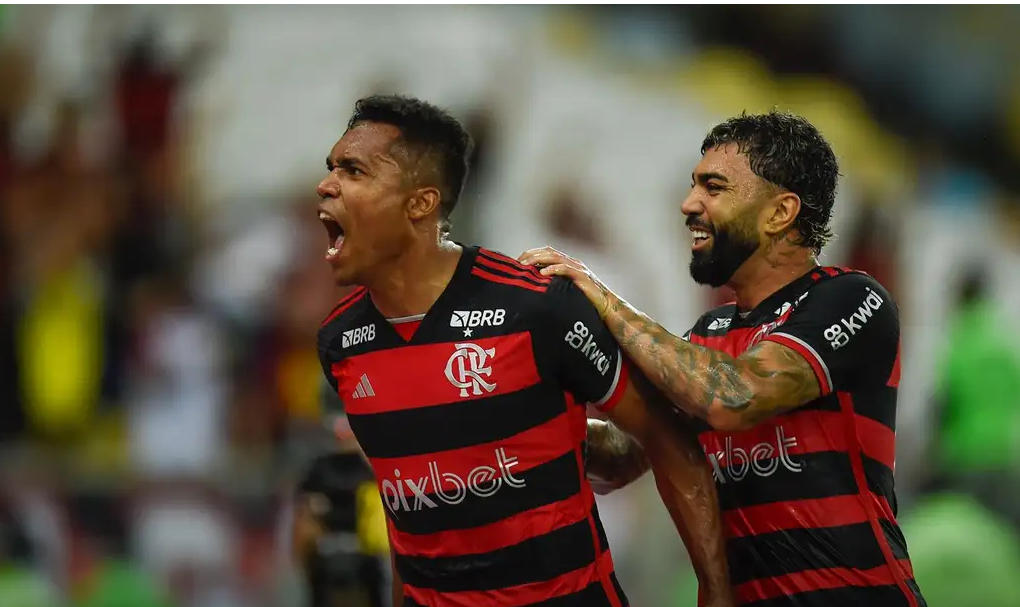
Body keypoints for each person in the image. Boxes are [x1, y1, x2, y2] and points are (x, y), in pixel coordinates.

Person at [315, 94, 732, 607]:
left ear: (420, 203)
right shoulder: (340, 343)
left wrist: (715, 588)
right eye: (332, 168)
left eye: (353, 171)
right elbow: (411, 516)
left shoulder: (535, 307)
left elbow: (663, 434)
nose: (326, 185)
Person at [521, 110, 927, 607]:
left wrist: (604, 301)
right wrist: (516, 421)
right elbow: (622, 458)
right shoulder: (707, 338)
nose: (689, 205)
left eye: (713, 188)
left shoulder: (851, 299)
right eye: (694, 186)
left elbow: (736, 396)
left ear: (780, 213)